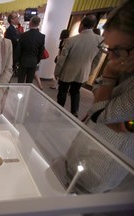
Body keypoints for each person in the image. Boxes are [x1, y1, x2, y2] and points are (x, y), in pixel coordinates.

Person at [65, 0, 134, 193]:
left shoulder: (116, 68)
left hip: (107, 158)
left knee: (85, 196)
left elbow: (99, 112)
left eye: (118, 50)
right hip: (88, 143)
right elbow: (96, 93)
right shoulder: (124, 64)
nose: (111, 58)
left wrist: (110, 76)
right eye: (108, 48)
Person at [54, 15, 104, 118]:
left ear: (81, 25)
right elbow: (96, 60)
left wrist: (57, 72)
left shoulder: (71, 40)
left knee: (63, 90)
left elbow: (62, 59)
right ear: (93, 26)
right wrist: (89, 72)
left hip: (67, 71)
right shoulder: (99, 40)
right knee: (76, 91)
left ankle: (59, 110)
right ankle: (75, 112)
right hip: (83, 72)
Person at [16, 16, 45, 88]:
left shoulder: (23, 35)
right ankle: (27, 96)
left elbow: (18, 50)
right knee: (29, 82)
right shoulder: (41, 36)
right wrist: (37, 59)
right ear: (38, 24)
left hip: (23, 60)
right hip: (33, 61)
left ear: (30, 23)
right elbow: (41, 50)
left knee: (20, 81)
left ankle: (19, 95)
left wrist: (17, 61)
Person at [5, 12, 20, 76]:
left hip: (15, 53)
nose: (18, 18)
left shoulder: (15, 29)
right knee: (9, 71)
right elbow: (14, 41)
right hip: (12, 53)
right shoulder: (10, 30)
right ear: (12, 20)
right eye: (16, 17)